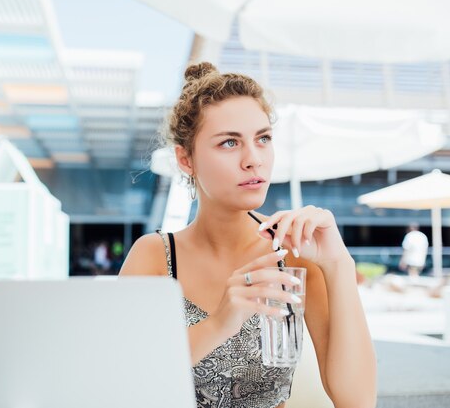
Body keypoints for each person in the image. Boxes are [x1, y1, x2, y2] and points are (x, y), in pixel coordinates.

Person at [120, 62, 376, 408]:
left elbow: (357, 400)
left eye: (263, 139)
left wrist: (338, 263)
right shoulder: (153, 257)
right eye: (229, 143)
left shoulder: (294, 253)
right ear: (185, 160)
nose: (253, 159)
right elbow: (124, 385)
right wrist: (219, 324)